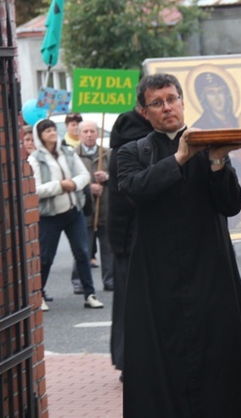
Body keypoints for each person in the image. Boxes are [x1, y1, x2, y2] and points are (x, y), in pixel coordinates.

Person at [117, 74, 241, 416]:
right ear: (145, 112)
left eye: (172, 98)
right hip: (157, 276)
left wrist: (217, 162)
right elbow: (136, 191)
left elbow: (230, 204)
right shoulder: (131, 152)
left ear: (184, 102)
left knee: (220, 355)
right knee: (163, 358)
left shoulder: (210, 144)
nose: (167, 107)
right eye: (157, 103)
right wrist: (180, 158)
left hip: (210, 270)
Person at [27, 119, 104, 312]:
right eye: (47, 130)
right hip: (50, 215)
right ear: (40, 135)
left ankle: (90, 294)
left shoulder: (68, 152)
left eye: (53, 129)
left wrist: (74, 184)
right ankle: (39, 294)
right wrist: (60, 186)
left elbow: (84, 175)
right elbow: (35, 190)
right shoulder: (35, 159)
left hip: (73, 211)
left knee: (82, 252)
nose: (52, 133)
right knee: (45, 257)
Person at [106, 107, 153, 382]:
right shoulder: (138, 144)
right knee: (135, 301)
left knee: (126, 301)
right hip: (133, 233)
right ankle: (132, 360)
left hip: (123, 234)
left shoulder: (122, 138)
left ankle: (127, 359)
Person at [71, 121, 113, 293]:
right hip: (84, 209)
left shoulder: (108, 154)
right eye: (85, 131)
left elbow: (119, 175)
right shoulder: (72, 155)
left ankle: (110, 280)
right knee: (82, 248)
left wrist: (107, 177)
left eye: (92, 131)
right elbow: (70, 179)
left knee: (108, 249)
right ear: (79, 134)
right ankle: (79, 281)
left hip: (105, 207)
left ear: (98, 134)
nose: (89, 134)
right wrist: (89, 187)